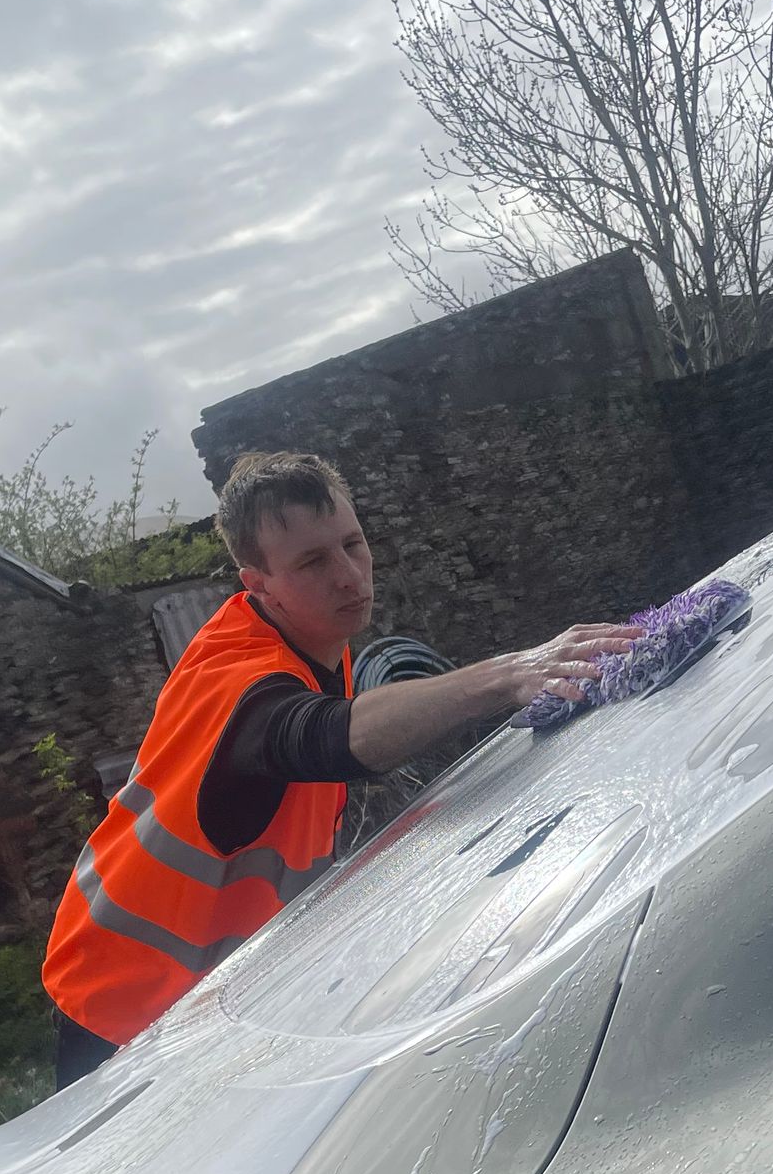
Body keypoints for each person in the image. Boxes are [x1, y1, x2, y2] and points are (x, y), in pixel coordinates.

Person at [41, 449, 638, 1088]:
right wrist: (507, 676)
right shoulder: (236, 675)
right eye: (313, 562)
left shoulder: (313, 649)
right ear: (257, 584)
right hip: (123, 1015)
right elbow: (318, 739)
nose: (349, 576)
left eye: (352, 544)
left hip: (209, 1006)